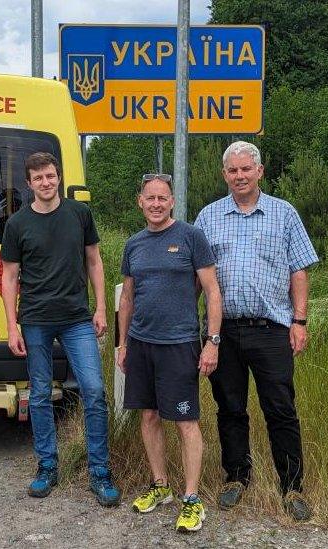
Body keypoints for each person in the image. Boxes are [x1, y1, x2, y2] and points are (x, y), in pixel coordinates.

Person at [194, 141, 319, 521]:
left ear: (260, 171)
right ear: (224, 175)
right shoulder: (208, 217)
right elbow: (197, 278)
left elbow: (299, 269)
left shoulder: (284, 214)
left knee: (280, 408)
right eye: (232, 171)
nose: (240, 176)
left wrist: (300, 321)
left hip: (272, 329)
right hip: (223, 333)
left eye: (246, 169)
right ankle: (236, 476)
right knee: (230, 408)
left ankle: (292, 486)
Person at [0, 152, 120, 507]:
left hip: (77, 318)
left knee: (94, 391)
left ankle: (100, 472)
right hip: (34, 319)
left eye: (50, 176)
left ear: (58, 176)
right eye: (38, 178)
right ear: (29, 183)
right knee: (39, 394)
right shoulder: (17, 223)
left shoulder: (79, 215)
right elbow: (8, 277)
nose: (46, 183)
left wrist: (100, 307)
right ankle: (47, 467)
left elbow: (95, 261)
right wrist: (11, 327)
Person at [117, 174, 223, 533]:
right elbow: (128, 297)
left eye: (163, 198)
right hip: (141, 343)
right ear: (140, 202)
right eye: (151, 198)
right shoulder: (133, 245)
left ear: (172, 201)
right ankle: (160, 485)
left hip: (179, 344)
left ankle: (192, 500)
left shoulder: (191, 236)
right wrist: (123, 343)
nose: (157, 204)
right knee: (148, 417)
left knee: (185, 421)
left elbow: (211, 292)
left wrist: (213, 340)